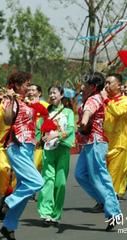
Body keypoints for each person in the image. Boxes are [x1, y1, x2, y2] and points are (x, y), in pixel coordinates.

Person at [0, 72, 44, 240]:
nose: (29, 88)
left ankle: (8, 226)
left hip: (29, 147)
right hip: (16, 146)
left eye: (31, 85)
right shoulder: (9, 100)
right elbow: (8, 120)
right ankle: (8, 202)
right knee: (37, 182)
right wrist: (10, 100)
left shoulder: (26, 101)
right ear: (17, 85)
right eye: (26, 85)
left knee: (23, 189)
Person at [75, 72, 122, 231]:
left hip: (96, 141)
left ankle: (114, 211)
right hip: (88, 143)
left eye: (86, 85)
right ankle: (105, 201)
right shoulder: (89, 98)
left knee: (99, 177)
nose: (82, 87)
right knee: (80, 175)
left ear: (93, 87)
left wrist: (84, 121)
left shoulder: (94, 99)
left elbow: (88, 112)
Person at [37, 86, 75, 225]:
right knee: (48, 180)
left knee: (61, 183)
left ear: (61, 95)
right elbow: (39, 130)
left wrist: (57, 135)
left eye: (55, 92)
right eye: (50, 93)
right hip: (48, 151)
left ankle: (56, 213)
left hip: (63, 149)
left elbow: (71, 129)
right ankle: (46, 212)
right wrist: (40, 139)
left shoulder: (68, 112)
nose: (52, 95)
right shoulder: (45, 113)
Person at [101, 73, 127, 197]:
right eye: (105, 83)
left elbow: (118, 112)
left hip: (118, 144)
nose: (106, 86)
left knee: (112, 176)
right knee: (100, 175)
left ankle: (107, 202)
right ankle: (104, 200)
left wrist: (106, 100)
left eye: (109, 83)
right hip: (103, 143)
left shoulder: (126, 101)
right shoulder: (103, 100)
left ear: (119, 85)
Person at [27, 84, 49, 173]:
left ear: (39, 93)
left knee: (38, 167)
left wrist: (43, 137)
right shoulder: (25, 105)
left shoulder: (46, 106)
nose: (30, 92)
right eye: (29, 90)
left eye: (33, 90)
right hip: (27, 140)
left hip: (40, 142)